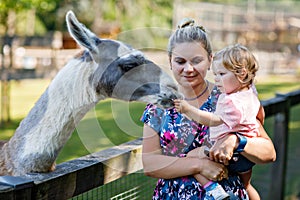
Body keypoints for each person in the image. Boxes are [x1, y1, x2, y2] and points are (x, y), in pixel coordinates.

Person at [141, 18, 276, 200]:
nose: (188, 69)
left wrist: (236, 141)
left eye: (196, 61)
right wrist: (199, 166)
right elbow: (150, 164)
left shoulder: (230, 99)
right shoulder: (158, 106)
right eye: (180, 61)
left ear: (210, 60)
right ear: (170, 61)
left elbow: (269, 152)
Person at [174, 44, 263, 199]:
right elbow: (260, 114)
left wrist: (188, 110)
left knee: (191, 157)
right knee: (247, 186)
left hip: (227, 152)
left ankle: (213, 189)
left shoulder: (231, 101)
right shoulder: (250, 93)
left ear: (241, 74)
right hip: (246, 156)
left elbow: (214, 120)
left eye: (221, 74)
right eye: (215, 74)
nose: (216, 79)